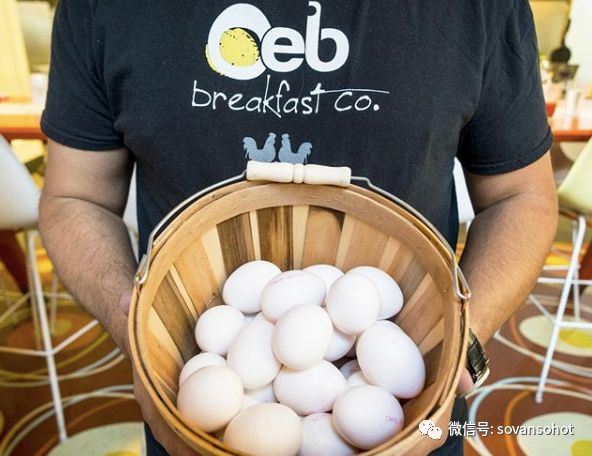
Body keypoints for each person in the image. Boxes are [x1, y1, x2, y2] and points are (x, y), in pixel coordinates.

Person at [38, 0, 558, 454]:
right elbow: (75, 196)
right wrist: (132, 319)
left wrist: (460, 342)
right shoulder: (101, 5)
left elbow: (520, 196)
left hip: (408, 422)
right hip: (199, 415)